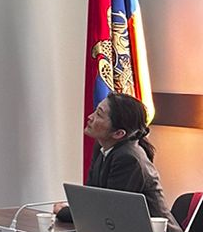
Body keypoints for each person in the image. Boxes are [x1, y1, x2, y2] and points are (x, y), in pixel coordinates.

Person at [55, 91, 171, 222]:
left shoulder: (128, 158)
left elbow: (109, 211)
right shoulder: (101, 147)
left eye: (99, 115)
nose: (90, 117)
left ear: (118, 133)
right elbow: (91, 198)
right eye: (95, 111)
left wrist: (64, 212)